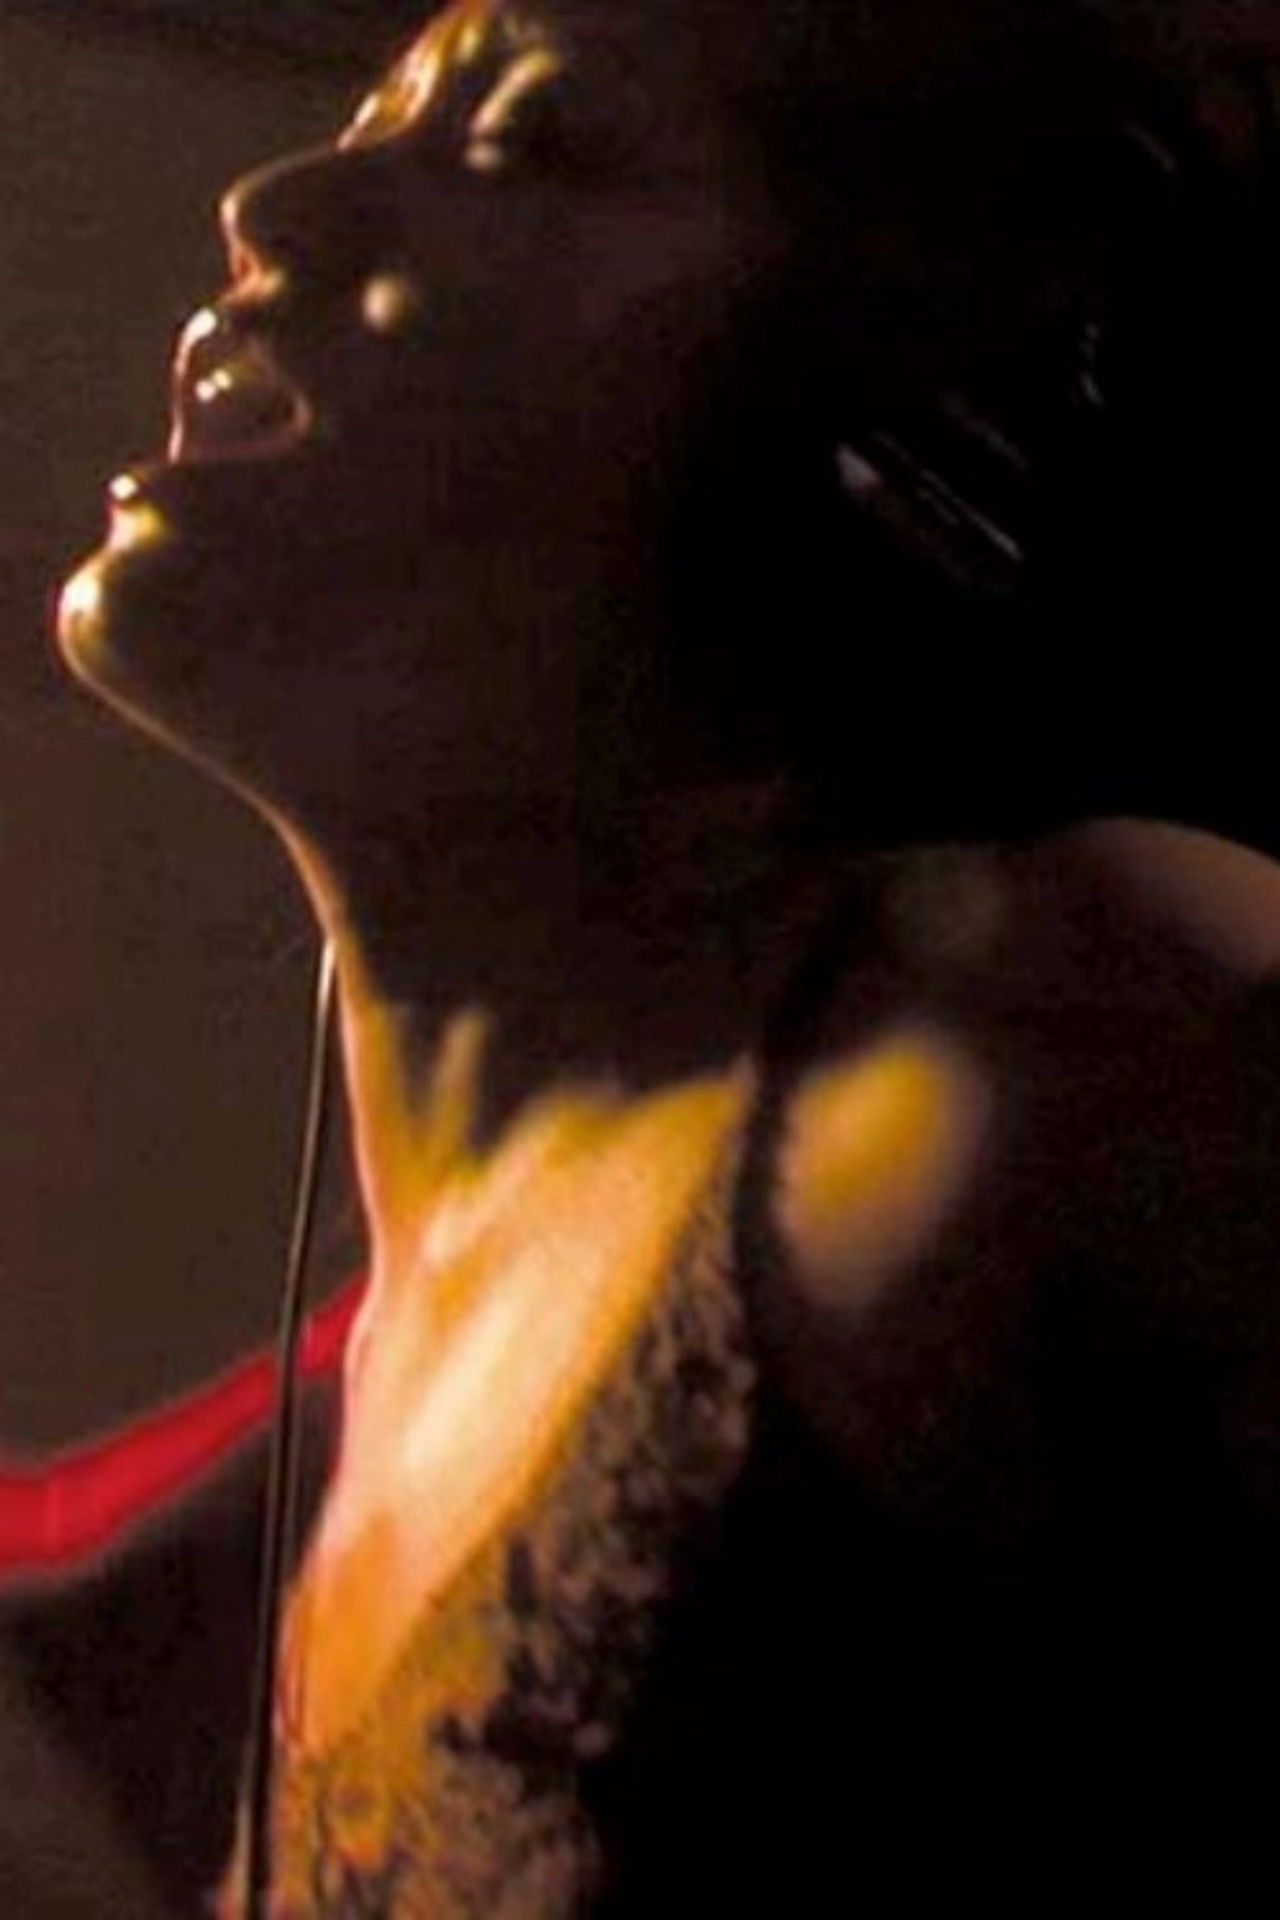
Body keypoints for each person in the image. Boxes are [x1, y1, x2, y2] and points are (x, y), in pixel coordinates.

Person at [9, 0, 1280, 1910]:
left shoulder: (1036, 1050)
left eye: (526, 143)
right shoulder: (337, 1421)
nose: (276, 208)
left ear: (915, 429)